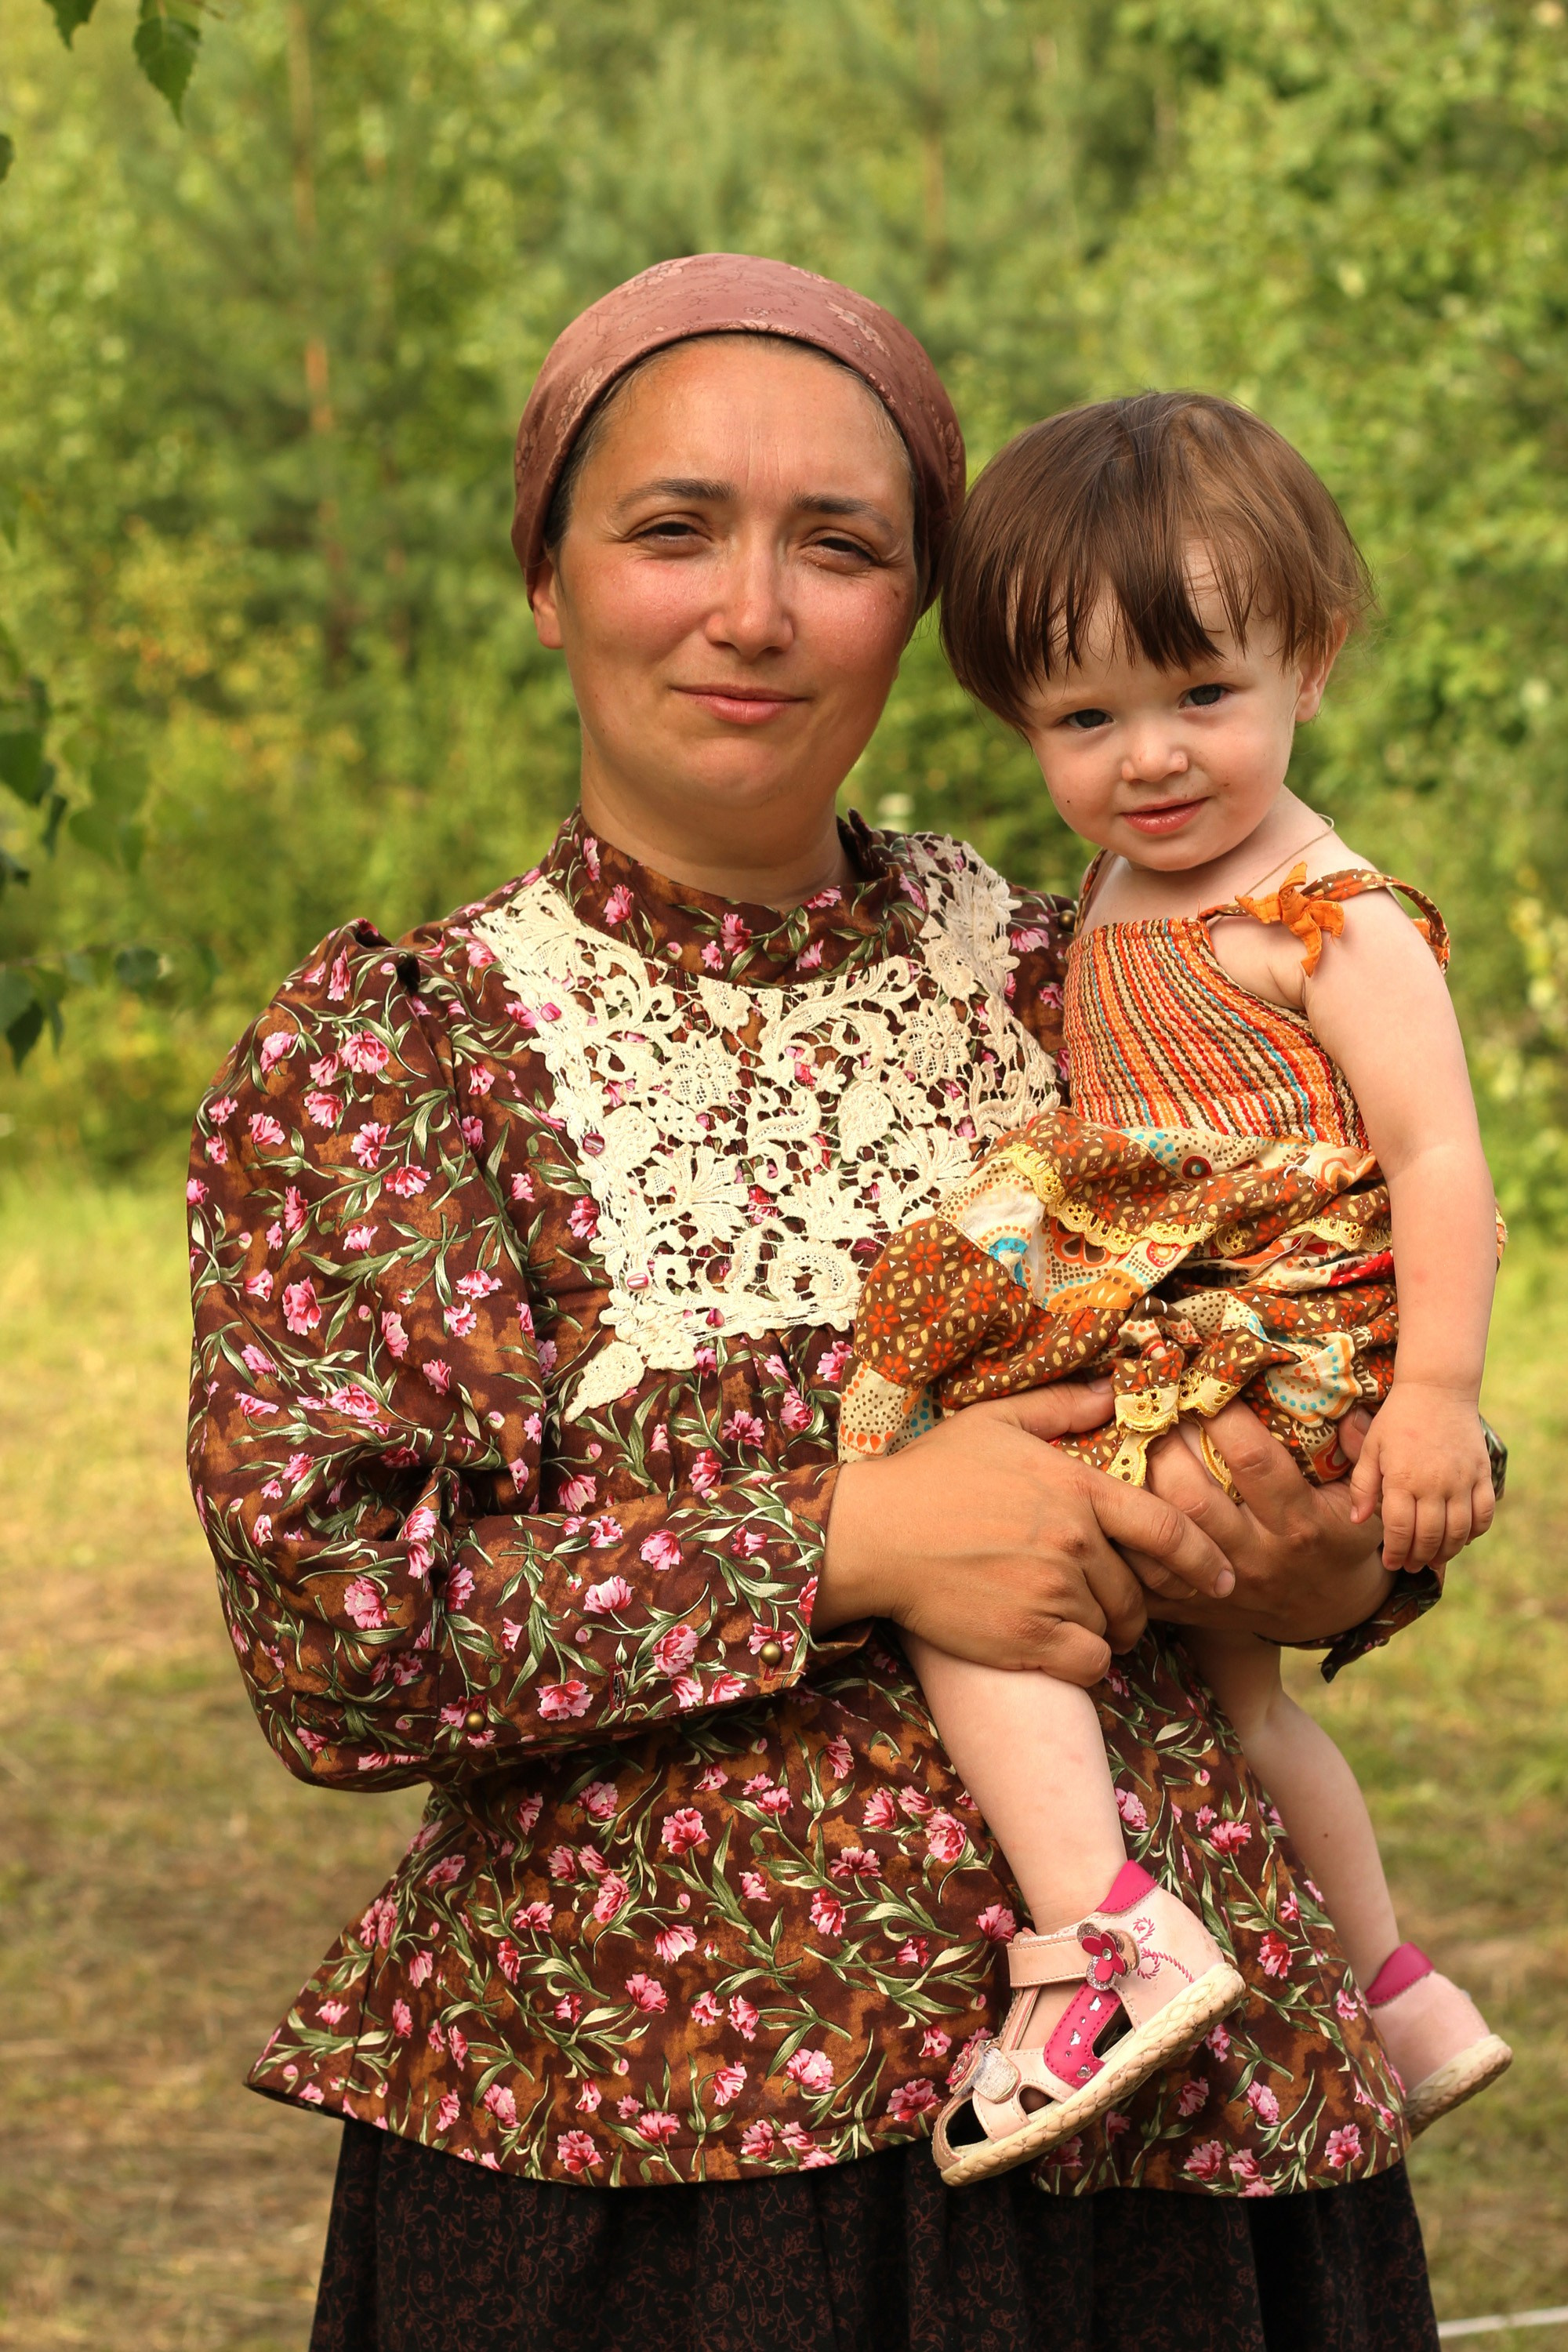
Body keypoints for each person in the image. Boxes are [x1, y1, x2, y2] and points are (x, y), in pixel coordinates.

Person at [187, 259, 1443, 2352]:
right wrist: (856, 1538)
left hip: (1168, 2181)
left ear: (926, 618)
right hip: (625, 2171)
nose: (752, 613)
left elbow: (1362, 1351)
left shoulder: (1119, 975)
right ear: (550, 579)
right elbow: (336, 1636)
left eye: (840, 546)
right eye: (673, 529)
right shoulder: (404, 1052)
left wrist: (1330, 1539)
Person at [840, 392, 1512, 2189]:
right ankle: (1395, 1988)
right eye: (1084, 717)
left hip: (1265, 1343)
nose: (1149, 756)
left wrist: (1435, 1400)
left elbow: (1441, 1165)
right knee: (1246, 1711)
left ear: (1313, 653)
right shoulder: (1121, 886)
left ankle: (1104, 1932)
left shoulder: (1326, 913)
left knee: (969, 1571)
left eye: (1199, 693)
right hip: (1174, 1320)